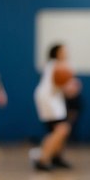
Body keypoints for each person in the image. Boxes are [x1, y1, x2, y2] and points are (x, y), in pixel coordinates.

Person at [33, 43, 73, 172]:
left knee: (60, 130)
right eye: (63, 50)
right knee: (61, 129)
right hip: (49, 99)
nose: (66, 52)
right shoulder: (56, 64)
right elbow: (63, 83)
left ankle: (56, 157)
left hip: (54, 99)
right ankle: (42, 159)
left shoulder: (55, 65)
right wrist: (70, 86)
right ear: (56, 53)